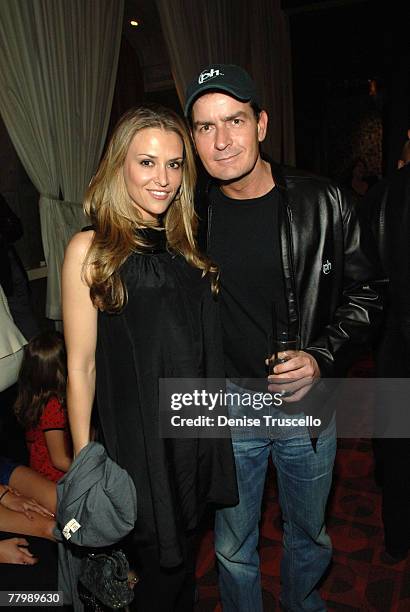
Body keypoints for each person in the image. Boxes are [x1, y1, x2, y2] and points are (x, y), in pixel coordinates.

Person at [184, 64, 383, 611]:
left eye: (235, 121)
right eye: (205, 127)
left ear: (262, 124)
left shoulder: (324, 200)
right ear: (193, 139)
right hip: (227, 405)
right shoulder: (186, 215)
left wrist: (321, 358)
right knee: (231, 547)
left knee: (310, 536)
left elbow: (369, 296)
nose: (222, 141)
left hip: (305, 406)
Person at [61, 105, 238, 611]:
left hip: (194, 437)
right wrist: (86, 464)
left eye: (175, 164)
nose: (164, 179)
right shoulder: (92, 249)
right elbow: (81, 365)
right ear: (119, 166)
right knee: (160, 578)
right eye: (147, 162)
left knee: (183, 570)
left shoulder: (186, 247)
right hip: (139, 448)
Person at [363, 136, 410, 562]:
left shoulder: (380, 193)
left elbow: (363, 273)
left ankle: (397, 537)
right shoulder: (385, 192)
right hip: (392, 329)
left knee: (396, 439)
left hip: (391, 333)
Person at [14, 331, 72, 483]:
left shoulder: (33, 399)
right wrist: (89, 472)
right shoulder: (53, 406)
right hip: (56, 480)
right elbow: (59, 460)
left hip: (39, 474)